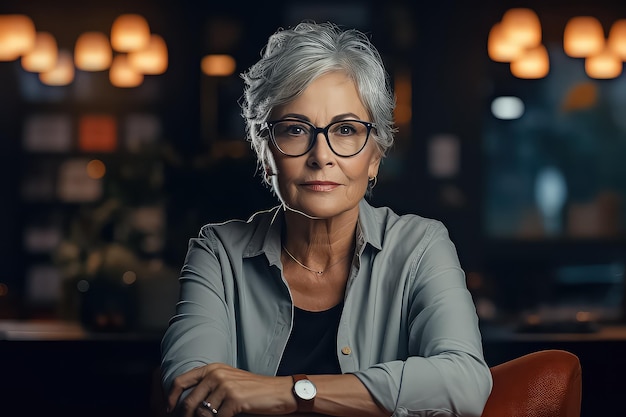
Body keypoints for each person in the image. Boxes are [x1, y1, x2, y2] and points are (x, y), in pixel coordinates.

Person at [160, 21, 492, 417]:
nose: (321, 156)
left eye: (346, 129)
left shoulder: (421, 247)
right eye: (296, 130)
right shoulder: (218, 254)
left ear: (374, 157)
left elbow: (464, 384)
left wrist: (291, 391)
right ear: (266, 154)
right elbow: (192, 393)